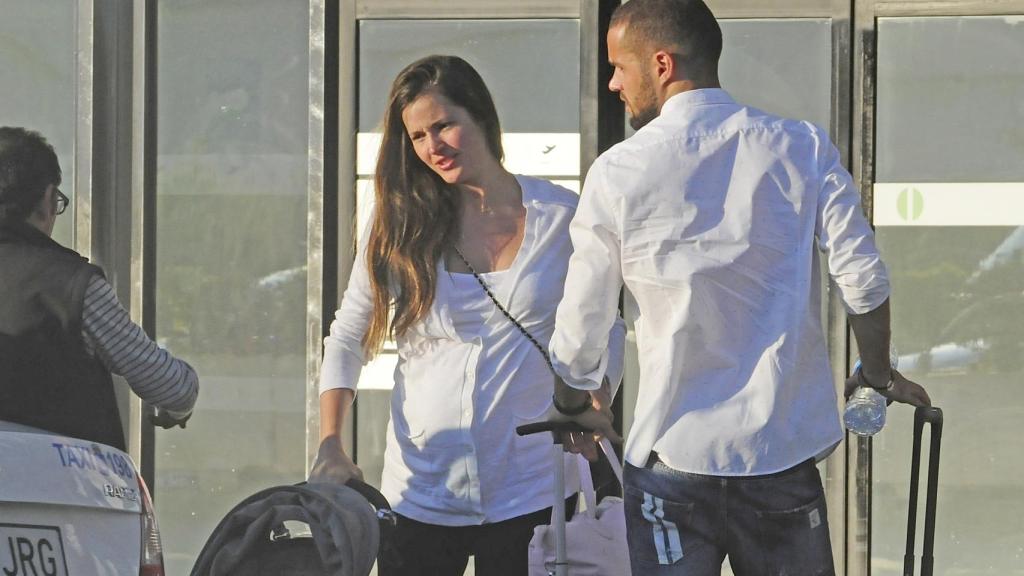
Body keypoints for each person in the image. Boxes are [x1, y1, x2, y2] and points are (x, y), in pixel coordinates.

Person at [546, 1, 931, 574]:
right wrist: (876, 374)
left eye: (619, 67)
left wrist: (572, 405)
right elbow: (864, 279)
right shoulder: (801, 147)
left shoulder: (618, 171)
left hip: (671, 459)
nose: (613, 83)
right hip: (778, 455)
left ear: (661, 64)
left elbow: (582, 322)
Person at [310, 55, 626, 576]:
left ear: (480, 115)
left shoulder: (561, 217)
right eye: (417, 136)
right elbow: (348, 335)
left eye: (443, 125)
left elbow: (605, 324)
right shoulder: (397, 223)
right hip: (421, 490)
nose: (432, 146)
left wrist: (597, 396)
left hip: (532, 486)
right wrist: (330, 443)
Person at [0, 126, 198, 450]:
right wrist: (182, 398)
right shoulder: (70, 284)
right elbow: (168, 386)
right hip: (59, 477)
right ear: (47, 199)